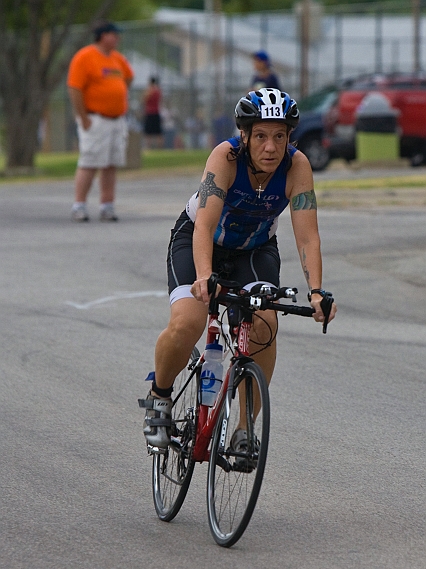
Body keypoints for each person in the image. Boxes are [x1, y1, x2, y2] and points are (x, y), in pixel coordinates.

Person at [141, 87, 336, 451]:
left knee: (265, 322)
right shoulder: (225, 158)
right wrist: (203, 277)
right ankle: (159, 397)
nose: (270, 147)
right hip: (200, 241)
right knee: (188, 321)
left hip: (254, 248)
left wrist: (316, 292)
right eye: (260, 136)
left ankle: (244, 430)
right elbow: (204, 225)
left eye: (280, 137)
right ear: (244, 135)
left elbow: (308, 237)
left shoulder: (297, 167)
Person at [67, 22, 134, 222]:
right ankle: (79, 205)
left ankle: (107, 205)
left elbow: (128, 78)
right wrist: (83, 116)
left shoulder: (117, 59)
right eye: (114, 35)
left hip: (116, 120)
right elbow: (74, 88)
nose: (117, 39)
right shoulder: (85, 56)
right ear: (103, 36)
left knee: (111, 163)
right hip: (95, 119)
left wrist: (116, 95)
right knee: (90, 162)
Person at [141, 77, 163, 149]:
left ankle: (148, 147)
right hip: (156, 113)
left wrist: (148, 91)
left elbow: (144, 99)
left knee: (149, 133)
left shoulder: (150, 91)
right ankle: (159, 148)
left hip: (150, 113)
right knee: (158, 132)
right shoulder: (158, 90)